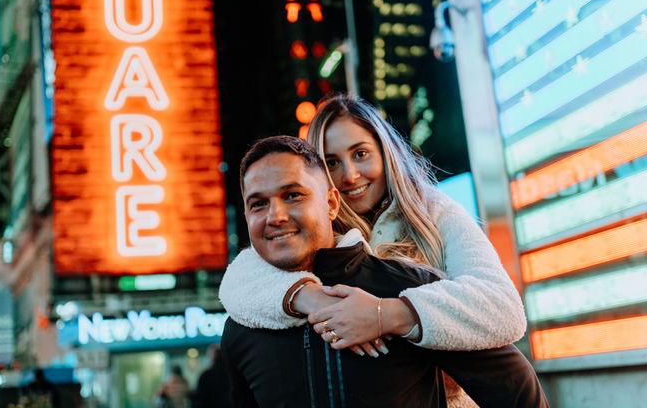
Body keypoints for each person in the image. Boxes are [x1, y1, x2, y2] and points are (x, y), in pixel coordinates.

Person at [219, 95, 527, 405]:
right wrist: (311, 298)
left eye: (361, 153)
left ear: (385, 152)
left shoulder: (432, 212)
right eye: (332, 162)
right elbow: (237, 282)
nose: (350, 175)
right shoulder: (313, 235)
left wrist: (388, 314)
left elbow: (504, 309)